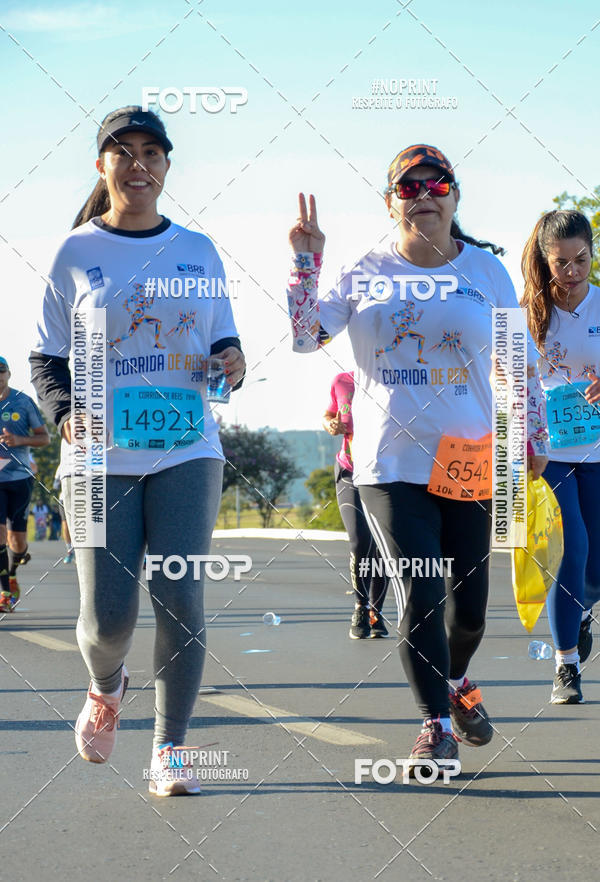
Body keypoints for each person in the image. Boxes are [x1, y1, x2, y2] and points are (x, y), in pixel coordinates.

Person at [287, 144, 548, 773]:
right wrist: (305, 261)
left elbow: (519, 360)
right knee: (422, 594)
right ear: (390, 201)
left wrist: (533, 434)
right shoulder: (363, 268)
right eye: (409, 188)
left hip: (469, 461)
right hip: (389, 464)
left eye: (438, 185)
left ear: (455, 197)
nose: (424, 196)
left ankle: (455, 682)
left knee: (470, 612)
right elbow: (304, 336)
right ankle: (433, 724)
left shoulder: (485, 270)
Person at [30, 105, 245, 795]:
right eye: (123, 152)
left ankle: (170, 751)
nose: (139, 164)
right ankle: (105, 683)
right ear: (103, 166)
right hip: (97, 459)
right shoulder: (76, 252)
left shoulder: (199, 249)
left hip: (187, 447)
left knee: (181, 595)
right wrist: (64, 415)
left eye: (152, 151)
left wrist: (233, 361)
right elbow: (45, 358)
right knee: (108, 617)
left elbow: (222, 344)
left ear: (167, 166)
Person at [521, 210, 600, 705]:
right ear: (544, 261)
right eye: (561, 263)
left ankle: (584, 607)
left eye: (581, 261)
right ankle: (565, 664)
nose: (571, 273)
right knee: (571, 548)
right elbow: (509, 381)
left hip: (598, 447)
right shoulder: (527, 312)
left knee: (595, 563)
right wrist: (524, 444)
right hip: (549, 454)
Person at [323, 371, 389, 638]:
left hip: (385, 473)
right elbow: (329, 414)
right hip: (349, 469)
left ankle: (377, 613)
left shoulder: (390, 378)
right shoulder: (342, 380)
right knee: (360, 540)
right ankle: (361, 606)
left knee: (381, 544)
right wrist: (330, 424)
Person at [0, 357, 50, 612]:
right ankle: (5, 592)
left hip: (20, 478)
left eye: (1, 372)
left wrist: (18, 440)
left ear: (9, 374)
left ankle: (14, 567)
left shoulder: (22, 401)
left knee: (16, 540)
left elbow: (45, 438)